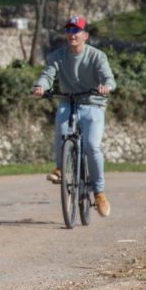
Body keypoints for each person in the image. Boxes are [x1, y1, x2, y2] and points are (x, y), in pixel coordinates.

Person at [31, 15, 116, 217]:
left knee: (92, 146)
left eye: (75, 31)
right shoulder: (57, 56)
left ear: (85, 35)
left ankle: (99, 192)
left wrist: (106, 87)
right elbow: (48, 74)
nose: (71, 34)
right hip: (68, 102)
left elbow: (109, 78)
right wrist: (41, 86)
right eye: (68, 30)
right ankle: (61, 168)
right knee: (61, 129)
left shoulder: (97, 56)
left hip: (93, 104)